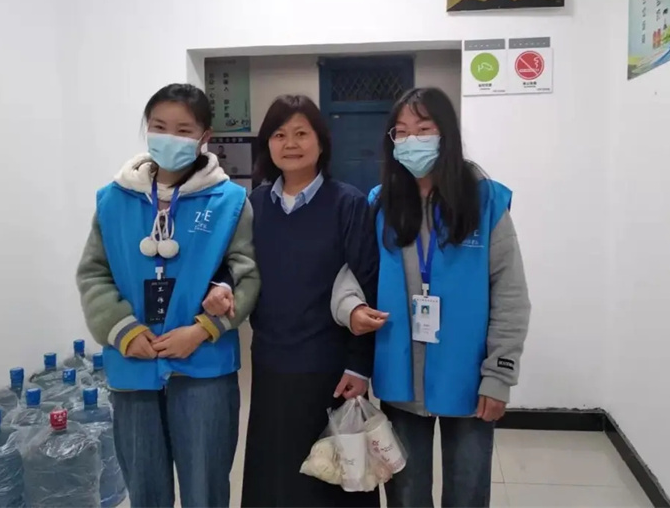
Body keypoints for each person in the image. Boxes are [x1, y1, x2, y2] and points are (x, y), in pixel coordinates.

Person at [332, 87, 532, 507]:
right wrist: (351, 308)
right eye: (401, 132)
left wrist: (499, 375)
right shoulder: (382, 203)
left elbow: (511, 293)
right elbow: (354, 274)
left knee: (467, 492)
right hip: (400, 376)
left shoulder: (485, 200)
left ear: (447, 134)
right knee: (405, 494)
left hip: (469, 377)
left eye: (424, 129)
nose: (412, 140)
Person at [76, 83, 260, 508]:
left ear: (204, 137)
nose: (169, 137)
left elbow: (246, 275)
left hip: (203, 366)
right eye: (159, 126)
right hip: (133, 365)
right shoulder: (113, 200)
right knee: (145, 489)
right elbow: (93, 273)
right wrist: (123, 331)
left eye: (183, 130)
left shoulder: (230, 202)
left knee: (205, 487)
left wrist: (203, 329)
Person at [230, 94, 379, 507]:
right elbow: (239, 267)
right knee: (275, 472)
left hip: (330, 365)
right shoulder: (256, 205)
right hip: (271, 360)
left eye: (301, 133)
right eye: (279, 135)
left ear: (321, 141)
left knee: (331, 475)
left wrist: (359, 365)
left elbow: (367, 286)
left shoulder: (348, 203)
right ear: (267, 144)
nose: (290, 143)